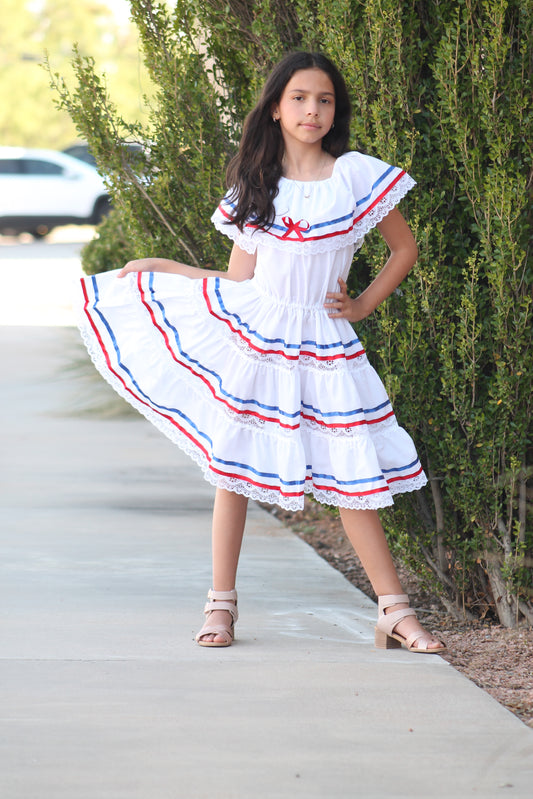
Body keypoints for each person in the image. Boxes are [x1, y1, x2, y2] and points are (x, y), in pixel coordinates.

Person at [78, 51, 445, 654]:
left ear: (335, 111)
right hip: (260, 338)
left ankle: (394, 612)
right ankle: (221, 605)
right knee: (235, 471)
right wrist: (166, 268)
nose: (313, 110)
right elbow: (239, 282)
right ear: (276, 108)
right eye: (300, 98)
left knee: (352, 471)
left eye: (324, 100)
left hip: (325, 344)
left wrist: (362, 306)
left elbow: (404, 250)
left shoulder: (355, 175)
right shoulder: (256, 186)